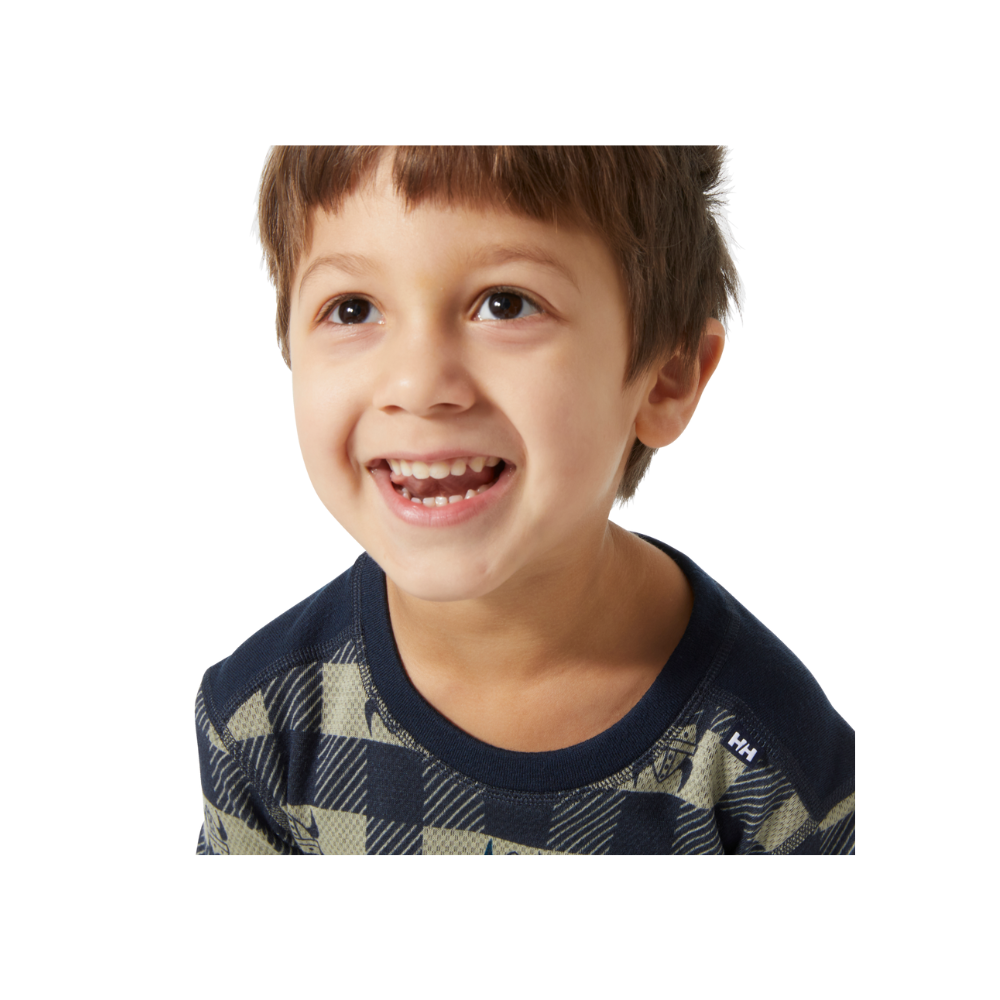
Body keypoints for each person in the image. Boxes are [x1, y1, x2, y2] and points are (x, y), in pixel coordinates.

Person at [195, 146, 855, 855]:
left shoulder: (770, 772)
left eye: (505, 304)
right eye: (353, 309)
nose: (417, 384)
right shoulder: (262, 723)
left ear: (667, 377)